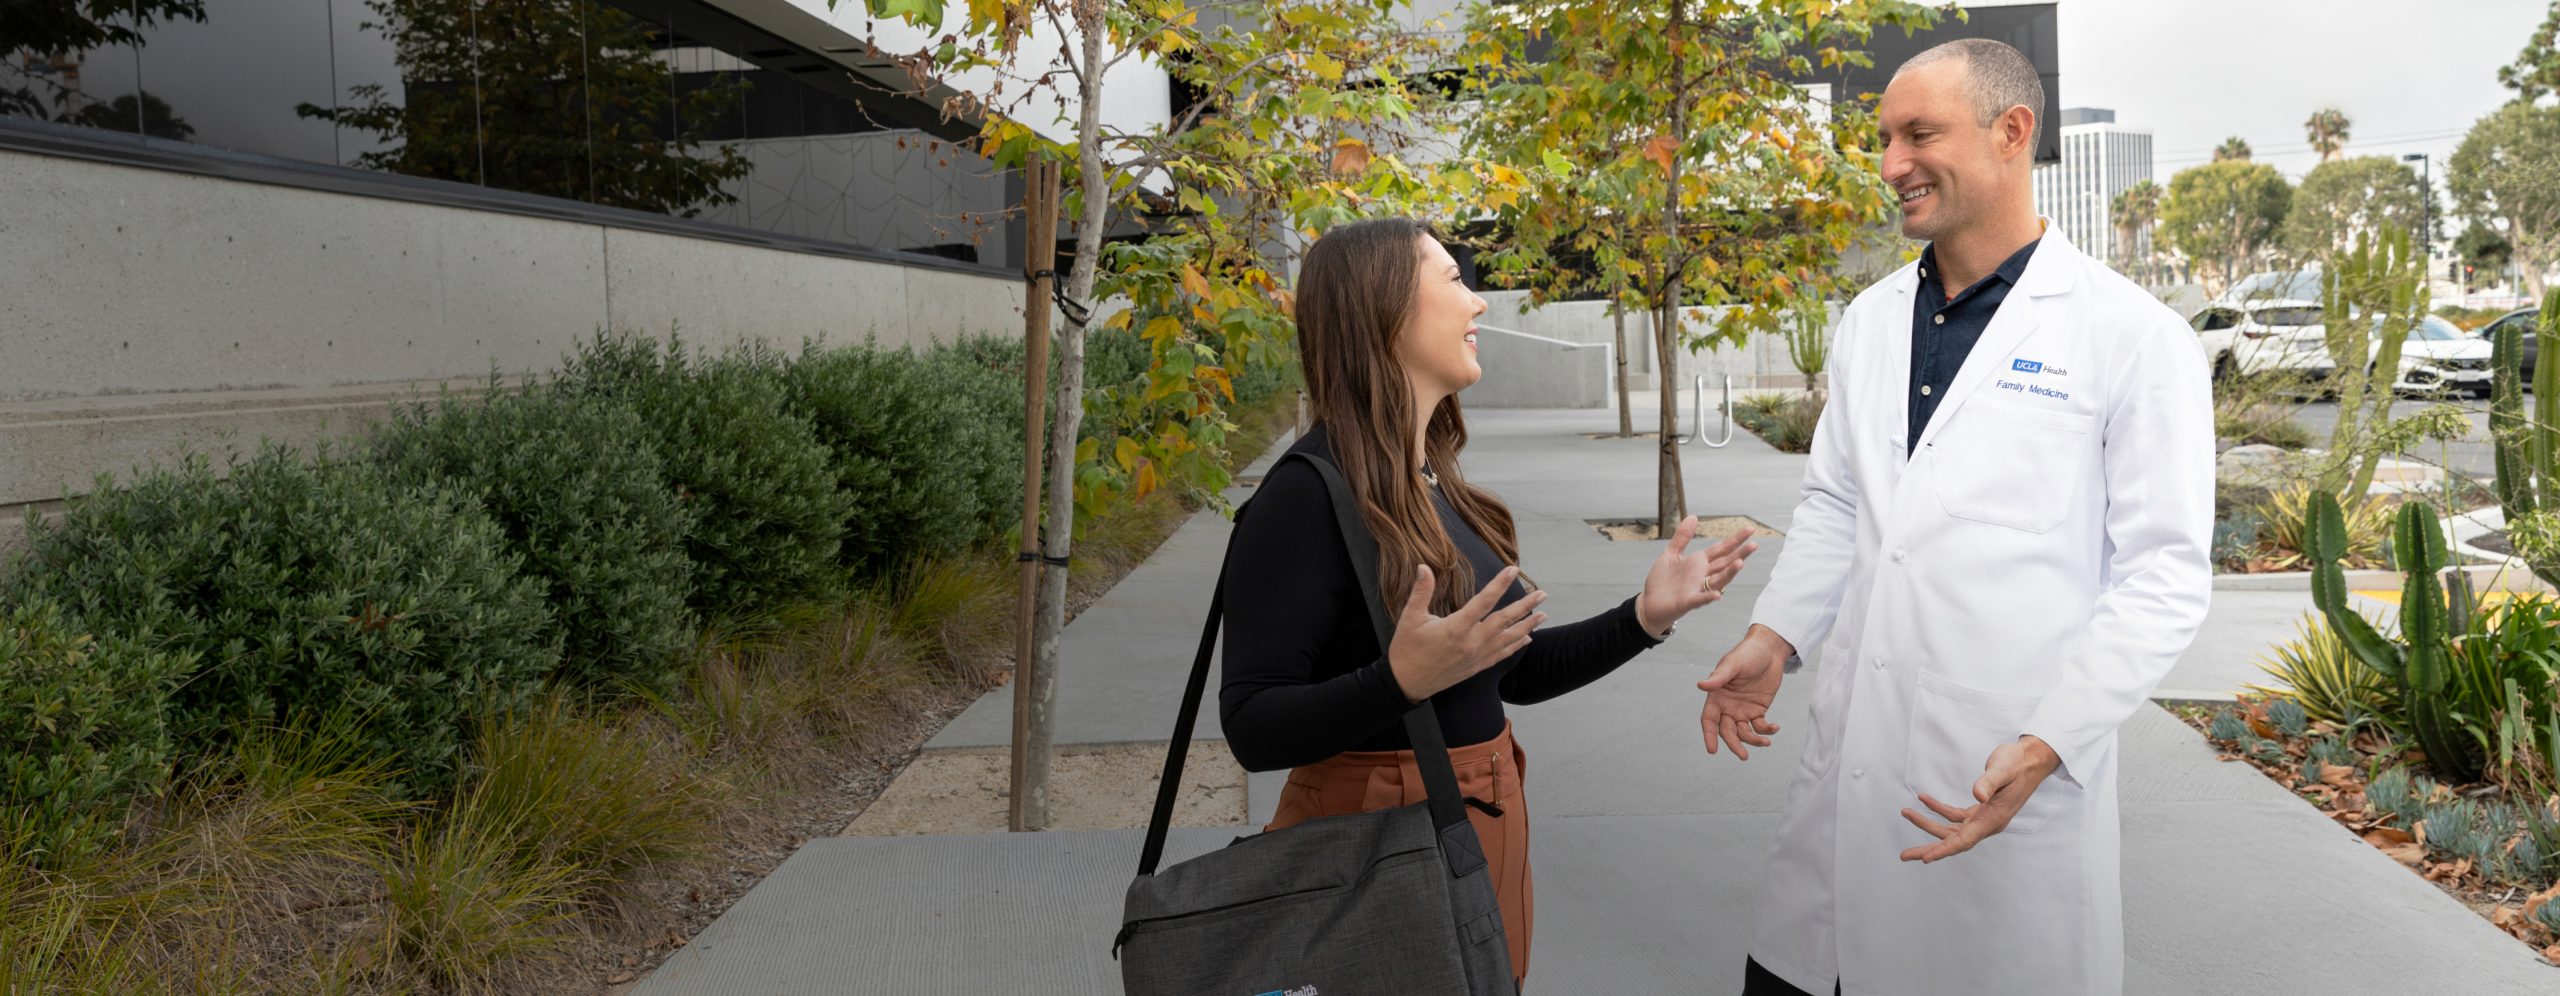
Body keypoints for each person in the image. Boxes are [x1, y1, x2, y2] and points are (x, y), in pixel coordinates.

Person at [1694, 39, 2215, 996]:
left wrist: (2054, 737)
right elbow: (1838, 505)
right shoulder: (1871, 321)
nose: (1892, 163)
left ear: (2012, 132)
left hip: (1997, 778)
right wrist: (1776, 637)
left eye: (1919, 133)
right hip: (1848, 793)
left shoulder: (2132, 337)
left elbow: (2164, 575)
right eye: (1886, 138)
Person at [1218, 216, 1756, 987]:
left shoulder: (1432, 482)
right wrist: (1398, 682)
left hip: (1478, 814)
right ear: (1385, 311)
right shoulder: (1305, 497)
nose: (1478, 306)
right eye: (1452, 282)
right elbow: (1252, 727)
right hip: (1380, 839)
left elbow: (1512, 672)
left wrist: (1644, 617)